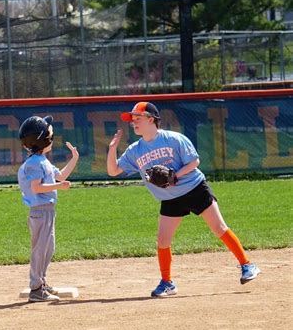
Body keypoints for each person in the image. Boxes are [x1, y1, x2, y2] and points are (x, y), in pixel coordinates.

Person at [107, 101, 261, 297]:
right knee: (163, 240)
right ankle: (167, 282)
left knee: (219, 228)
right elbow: (113, 171)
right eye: (132, 119)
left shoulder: (174, 139)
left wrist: (175, 176)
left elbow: (195, 161)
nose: (133, 122)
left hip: (194, 188)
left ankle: (247, 265)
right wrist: (112, 149)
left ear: (151, 119)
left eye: (138, 118)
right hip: (170, 198)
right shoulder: (135, 150)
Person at [17, 115, 79, 302]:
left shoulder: (42, 160)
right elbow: (37, 187)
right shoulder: (35, 163)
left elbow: (59, 176)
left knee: (48, 248)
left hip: (47, 211)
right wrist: (59, 187)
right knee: (40, 249)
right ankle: (36, 288)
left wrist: (74, 158)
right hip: (40, 212)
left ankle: (42, 283)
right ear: (43, 139)